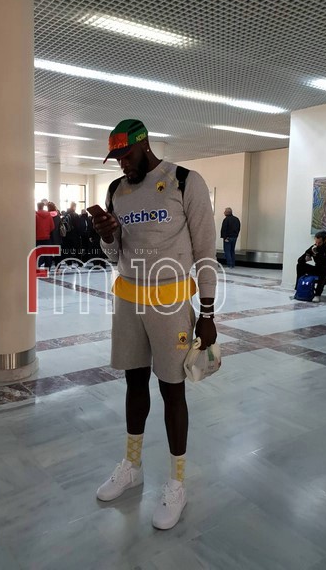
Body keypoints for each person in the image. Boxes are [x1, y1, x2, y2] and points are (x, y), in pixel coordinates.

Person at [92, 119, 217, 530]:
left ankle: (177, 483)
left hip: (170, 303)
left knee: (172, 390)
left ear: (144, 145)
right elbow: (114, 254)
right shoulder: (117, 190)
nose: (122, 164)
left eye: (126, 155)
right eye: (117, 159)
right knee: (134, 382)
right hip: (129, 299)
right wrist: (107, 235)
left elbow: (205, 252)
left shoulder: (184, 182)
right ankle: (132, 465)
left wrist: (208, 314)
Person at [295, 231, 326, 302]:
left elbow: (325, 263)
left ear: (324, 241)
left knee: (324, 271)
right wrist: (306, 257)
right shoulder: (314, 247)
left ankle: (318, 294)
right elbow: (299, 260)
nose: (317, 244)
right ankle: (299, 289)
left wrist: (316, 253)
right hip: (319, 269)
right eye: (316, 242)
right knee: (300, 266)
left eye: (319, 243)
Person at [35, 201, 54, 268]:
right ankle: (47, 268)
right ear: (43, 207)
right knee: (47, 254)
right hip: (47, 238)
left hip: (37, 238)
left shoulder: (35, 215)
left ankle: (37, 267)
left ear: (37, 207)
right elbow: (52, 226)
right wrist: (47, 232)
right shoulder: (49, 215)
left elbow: (34, 226)